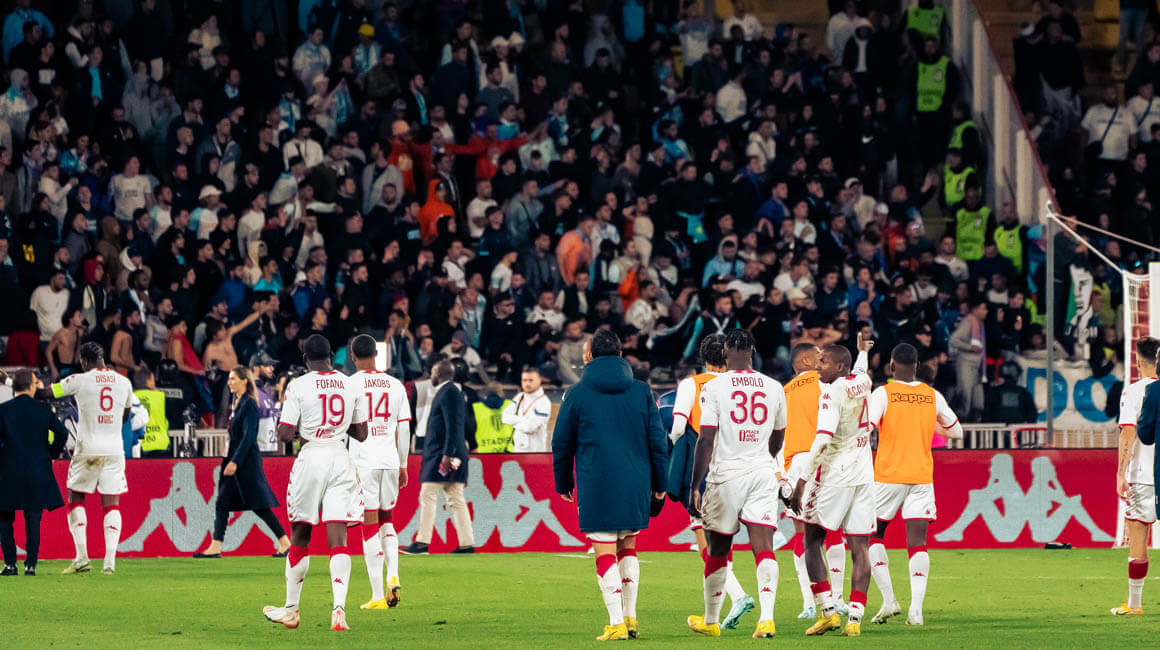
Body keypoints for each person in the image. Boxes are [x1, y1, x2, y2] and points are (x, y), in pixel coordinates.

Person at [552, 329, 668, 641]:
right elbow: (658, 441)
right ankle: (630, 618)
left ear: (589, 356)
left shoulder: (577, 393)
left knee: (603, 549)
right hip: (636, 481)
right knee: (628, 545)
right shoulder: (642, 391)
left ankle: (616, 623)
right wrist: (660, 483)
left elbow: (561, 443)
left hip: (596, 481)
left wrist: (563, 482)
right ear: (620, 354)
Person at [262, 335, 369, 633]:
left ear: (305, 359)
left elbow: (284, 434)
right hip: (340, 457)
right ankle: (339, 611)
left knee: (300, 534)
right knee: (339, 538)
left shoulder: (298, 385)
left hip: (311, 457)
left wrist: (307, 429)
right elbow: (361, 433)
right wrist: (337, 427)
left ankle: (291, 610)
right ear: (331, 355)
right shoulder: (349, 384)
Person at [686, 329, 787, 639]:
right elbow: (779, 437)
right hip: (762, 472)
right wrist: (761, 457)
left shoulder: (714, 387)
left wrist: (694, 484)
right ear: (752, 351)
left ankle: (711, 621)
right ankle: (766, 619)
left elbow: (706, 439)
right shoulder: (774, 387)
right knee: (764, 546)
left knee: (718, 548)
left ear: (725, 353)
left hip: (726, 475)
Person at [866, 343, 962, 626]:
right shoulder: (932, 395)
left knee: (872, 536)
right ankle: (916, 611)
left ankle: (889, 600)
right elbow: (956, 431)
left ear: (891, 366)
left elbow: (866, 427)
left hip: (888, 476)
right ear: (917, 366)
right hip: (921, 477)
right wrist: (929, 423)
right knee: (917, 543)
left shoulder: (883, 393)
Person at [790, 333, 875, 637]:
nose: (818, 367)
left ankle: (827, 611)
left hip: (835, 474)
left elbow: (823, 439)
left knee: (811, 540)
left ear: (839, 367)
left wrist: (802, 480)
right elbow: (860, 369)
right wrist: (862, 351)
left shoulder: (830, 393)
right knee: (860, 546)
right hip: (864, 474)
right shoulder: (862, 382)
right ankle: (855, 618)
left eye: (824, 362)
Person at [667, 334, 754, 630]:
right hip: (739, 466)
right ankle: (732, 601)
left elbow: (679, 427)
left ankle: (737, 596)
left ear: (703, 357)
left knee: (704, 536)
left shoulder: (691, 385)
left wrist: (671, 448)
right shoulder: (740, 385)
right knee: (724, 535)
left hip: (704, 470)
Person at [52, 342, 134, 575]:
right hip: (114, 450)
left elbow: (45, 393)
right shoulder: (124, 382)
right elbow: (125, 416)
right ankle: (109, 561)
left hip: (87, 448)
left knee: (76, 496)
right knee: (111, 503)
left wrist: (8, 381)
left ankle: (82, 557)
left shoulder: (80, 380)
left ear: (84, 361)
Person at [193, 367, 290, 559]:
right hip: (236, 459)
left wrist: (235, 462)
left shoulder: (249, 404)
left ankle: (285, 542)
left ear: (244, 380)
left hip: (245, 462)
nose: (229, 382)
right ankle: (216, 545)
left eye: (233, 379)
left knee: (259, 505)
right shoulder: (238, 402)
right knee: (223, 502)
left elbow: (249, 436)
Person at [347, 334, 412, 609]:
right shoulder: (396, 385)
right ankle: (393, 574)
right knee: (388, 520)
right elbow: (404, 428)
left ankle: (376, 596)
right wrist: (403, 464)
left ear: (353, 356)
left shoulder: (350, 384)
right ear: (377, 354)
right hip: (389, 459)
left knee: (369, 525)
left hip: (364, 461)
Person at [782, 343, 846, 618]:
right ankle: (838, 597)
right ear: (807, 360)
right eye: (819, 356)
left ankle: (809, 603)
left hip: (793, 463)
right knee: (832, 528)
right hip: (823, 458)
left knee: (802, 533)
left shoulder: (783, 392)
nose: (823, 360)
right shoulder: (827, 384)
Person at [402, 359, 474, 555]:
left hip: (442, 455)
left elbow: (453, 425)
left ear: (439, 374)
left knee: (428, 494)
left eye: (433, 372)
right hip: (451, 454)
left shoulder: (448, 392)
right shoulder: (451, 391)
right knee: (455, 496)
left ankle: (422, 542)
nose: (430, 375)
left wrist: (447, 454)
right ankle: (466, 543)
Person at [0, 370, 67, 576]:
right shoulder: (43, 409)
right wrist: (51, 453)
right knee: (33, 519)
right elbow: (62, 433)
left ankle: (10, 564)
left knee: (4, 519)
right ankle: (30, 565)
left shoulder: (3, 410)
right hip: (37, 471)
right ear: (30, 386)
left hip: (8, 472)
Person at [1110, 337, 1159, 616]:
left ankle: (1135, 604)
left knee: (1138, 533)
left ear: (1138, 360)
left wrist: (1121, 473)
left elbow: (1128, 431)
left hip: (1143, 474)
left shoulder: (1135, 391)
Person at [500, 367, 552, 452]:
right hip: (517, 450)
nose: (527, 383)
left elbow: (529, 427)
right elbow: (504, 417)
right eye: (524, 380)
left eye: (531, 380)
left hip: (536, 453)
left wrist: (514, 422)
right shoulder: (519, 397)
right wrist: (524, 420)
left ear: (539, 380)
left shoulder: (544, 402)